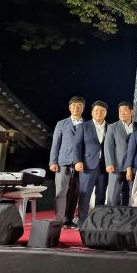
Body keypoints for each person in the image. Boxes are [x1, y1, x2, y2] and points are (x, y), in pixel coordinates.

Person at [49, 96, 85, 228]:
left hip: (79, 164)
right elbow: (55, 143)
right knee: (61, 192)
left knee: (75, 193)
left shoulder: (87, 124)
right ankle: (59, 219)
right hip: (63, 162)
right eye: (74, 105)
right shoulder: (61, 123)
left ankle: (69, 219)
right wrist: (53, 161)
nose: (76, 108)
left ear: (83, 108)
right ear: (70, 107)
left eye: (79, 105)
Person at [74, 100, 109, 224]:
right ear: (92, 112)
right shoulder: (84, 126)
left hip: (104, 166)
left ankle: (97, 222)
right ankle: (82, 221)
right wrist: (78, 161)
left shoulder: (110, 127)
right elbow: (77, 145)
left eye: (102, 111)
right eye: (96, 110)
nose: (99, 113)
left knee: (101, 195)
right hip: (87, 165)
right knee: (85, 195)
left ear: (106, 113)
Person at [104, 102, 137, 206]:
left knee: (129, 194)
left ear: (132, 112)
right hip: (116, 166)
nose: (122, 113)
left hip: (132, 167)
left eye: (125, 110)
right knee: (113, 194)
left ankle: (126, 214)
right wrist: (109, 163)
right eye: (120, 111)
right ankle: (111, 214)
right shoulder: (112, 127)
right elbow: (108, 146)